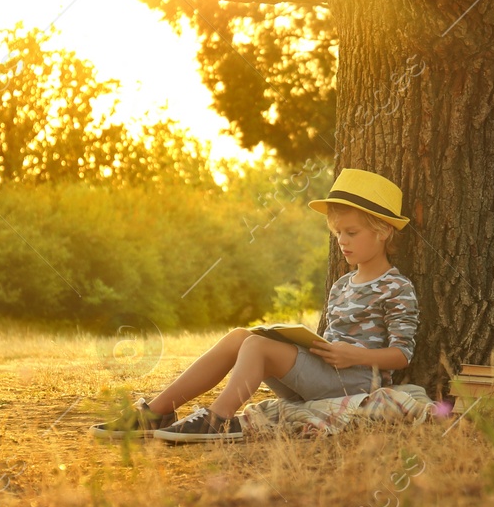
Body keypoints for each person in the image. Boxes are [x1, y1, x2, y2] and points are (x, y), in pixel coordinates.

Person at [89, 168, 421, 443]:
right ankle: (156, 412)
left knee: (259, 347)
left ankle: (218, 419)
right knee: (239, 337)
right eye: (338, 234)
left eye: (352, 232)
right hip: (325, 376)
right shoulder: (341, 285)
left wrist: (355, 356)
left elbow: (402, 354)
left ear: (382, 231)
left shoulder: (397, 287)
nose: (342, 241)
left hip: (356, 382)